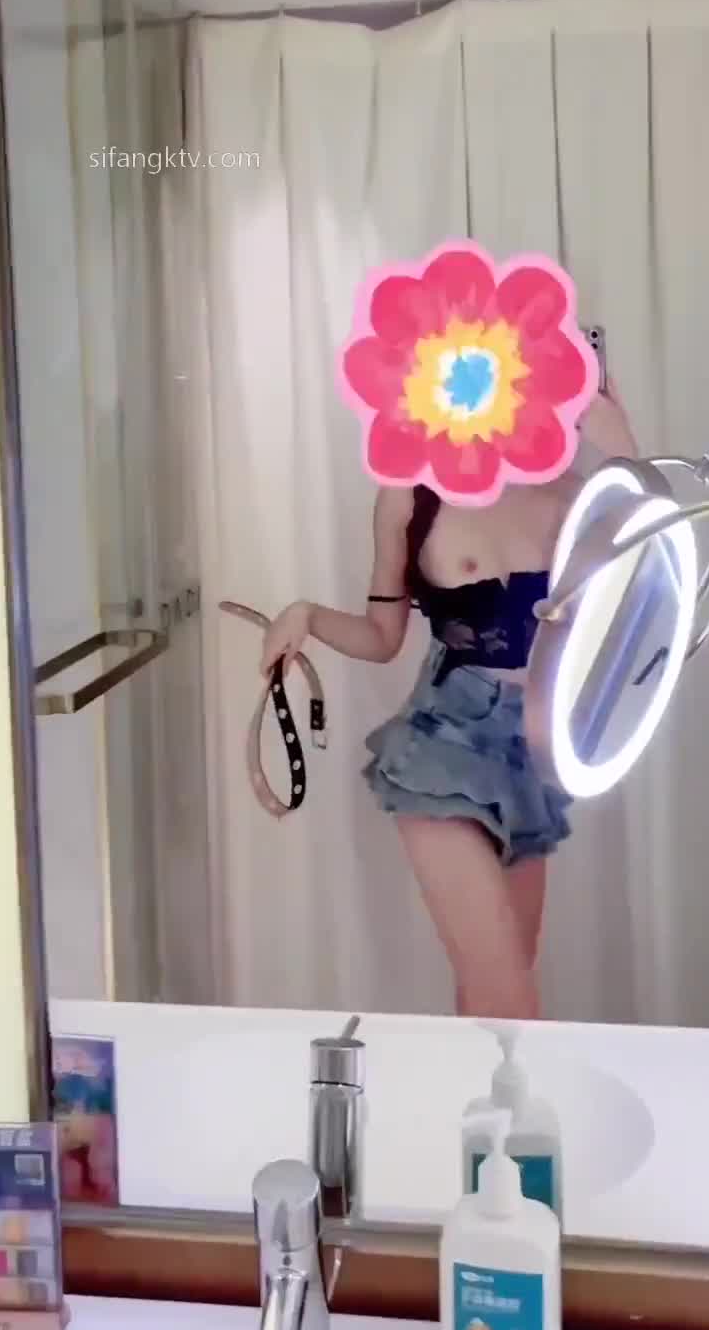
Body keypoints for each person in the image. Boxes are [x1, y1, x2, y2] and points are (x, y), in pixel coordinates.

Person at [261, 383, 638, 1020]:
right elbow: (382, 637)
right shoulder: (411, 497)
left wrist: (622, 448)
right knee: (507, 998)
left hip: (535, 748)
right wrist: (306, 616)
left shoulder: (578, 494)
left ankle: (481, 1092)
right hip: (445, 745)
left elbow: (656, 588)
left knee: (499, 996)